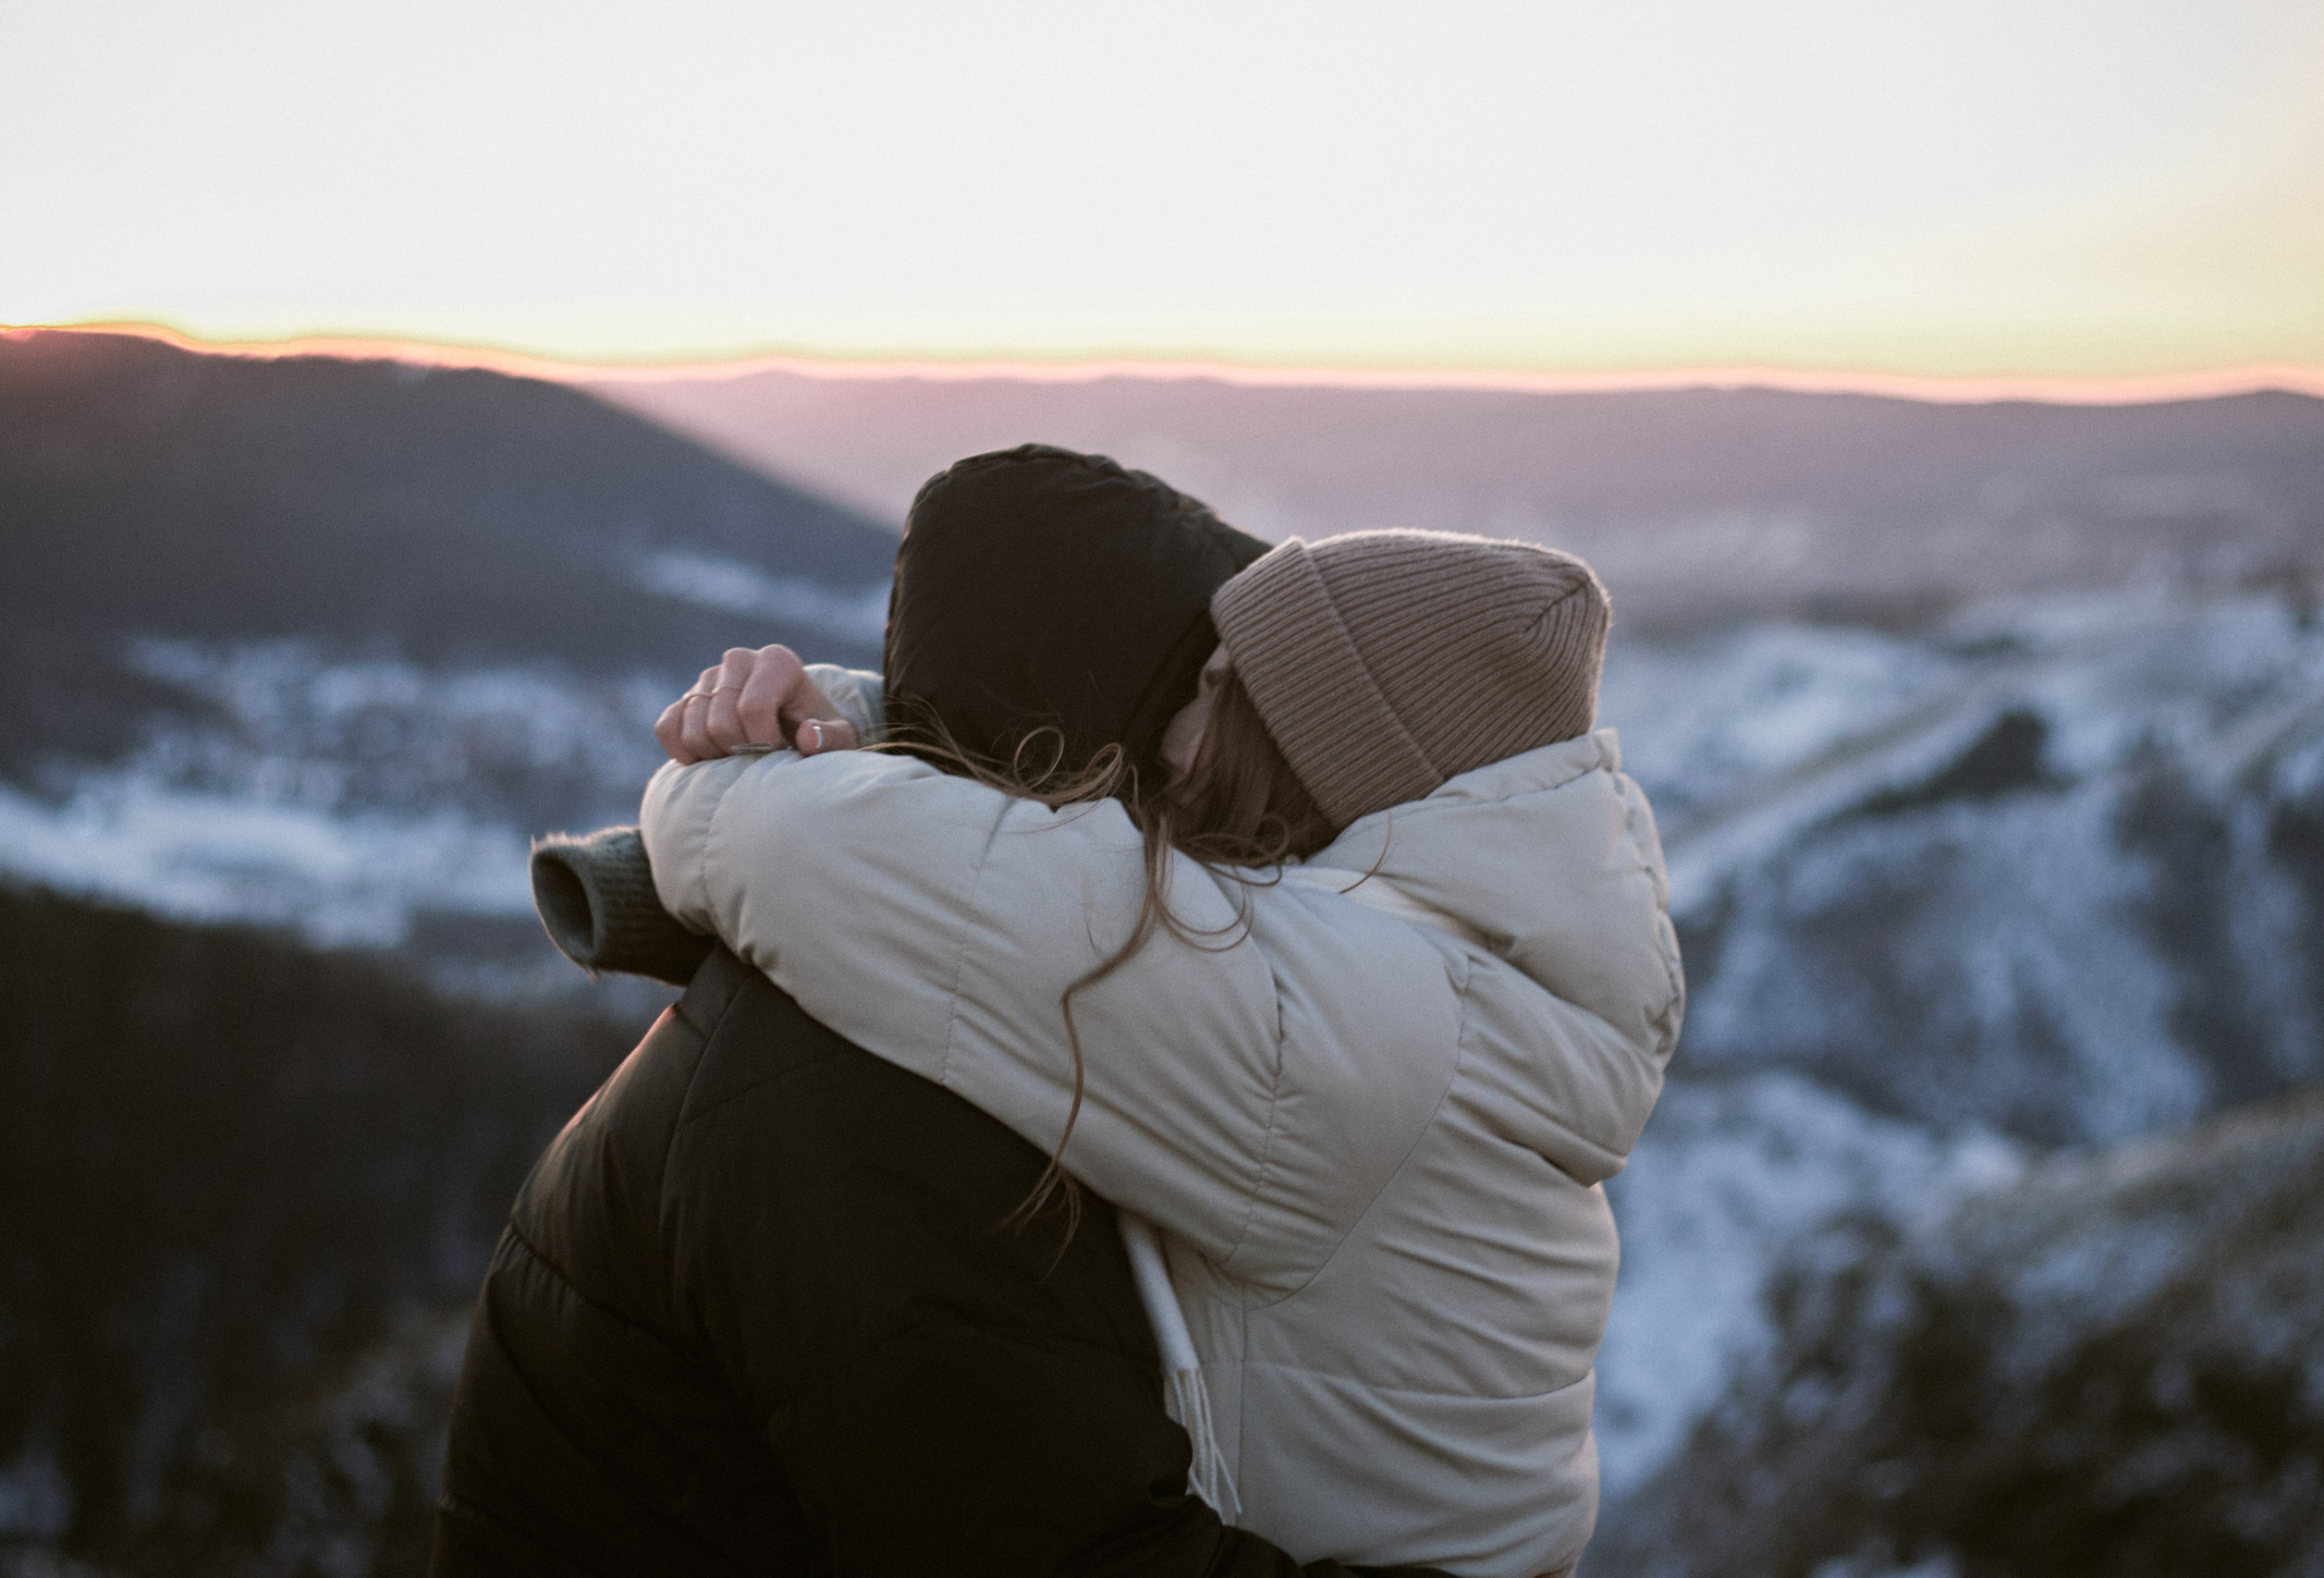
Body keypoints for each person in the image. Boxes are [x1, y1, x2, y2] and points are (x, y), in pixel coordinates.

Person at [433, 446, 1449, 1577]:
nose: (1273, 843)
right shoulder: (875, 1110)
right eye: (1219, 742)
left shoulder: (932, 1003)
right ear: (1111, 765)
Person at [644, 528, 1685, 1577]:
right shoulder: (1466, 972)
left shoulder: (1340, 1017)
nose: (1170, 738)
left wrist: (732, 766)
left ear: (1329, 741)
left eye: (1215, 690)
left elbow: (792, 848)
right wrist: (861, 731)